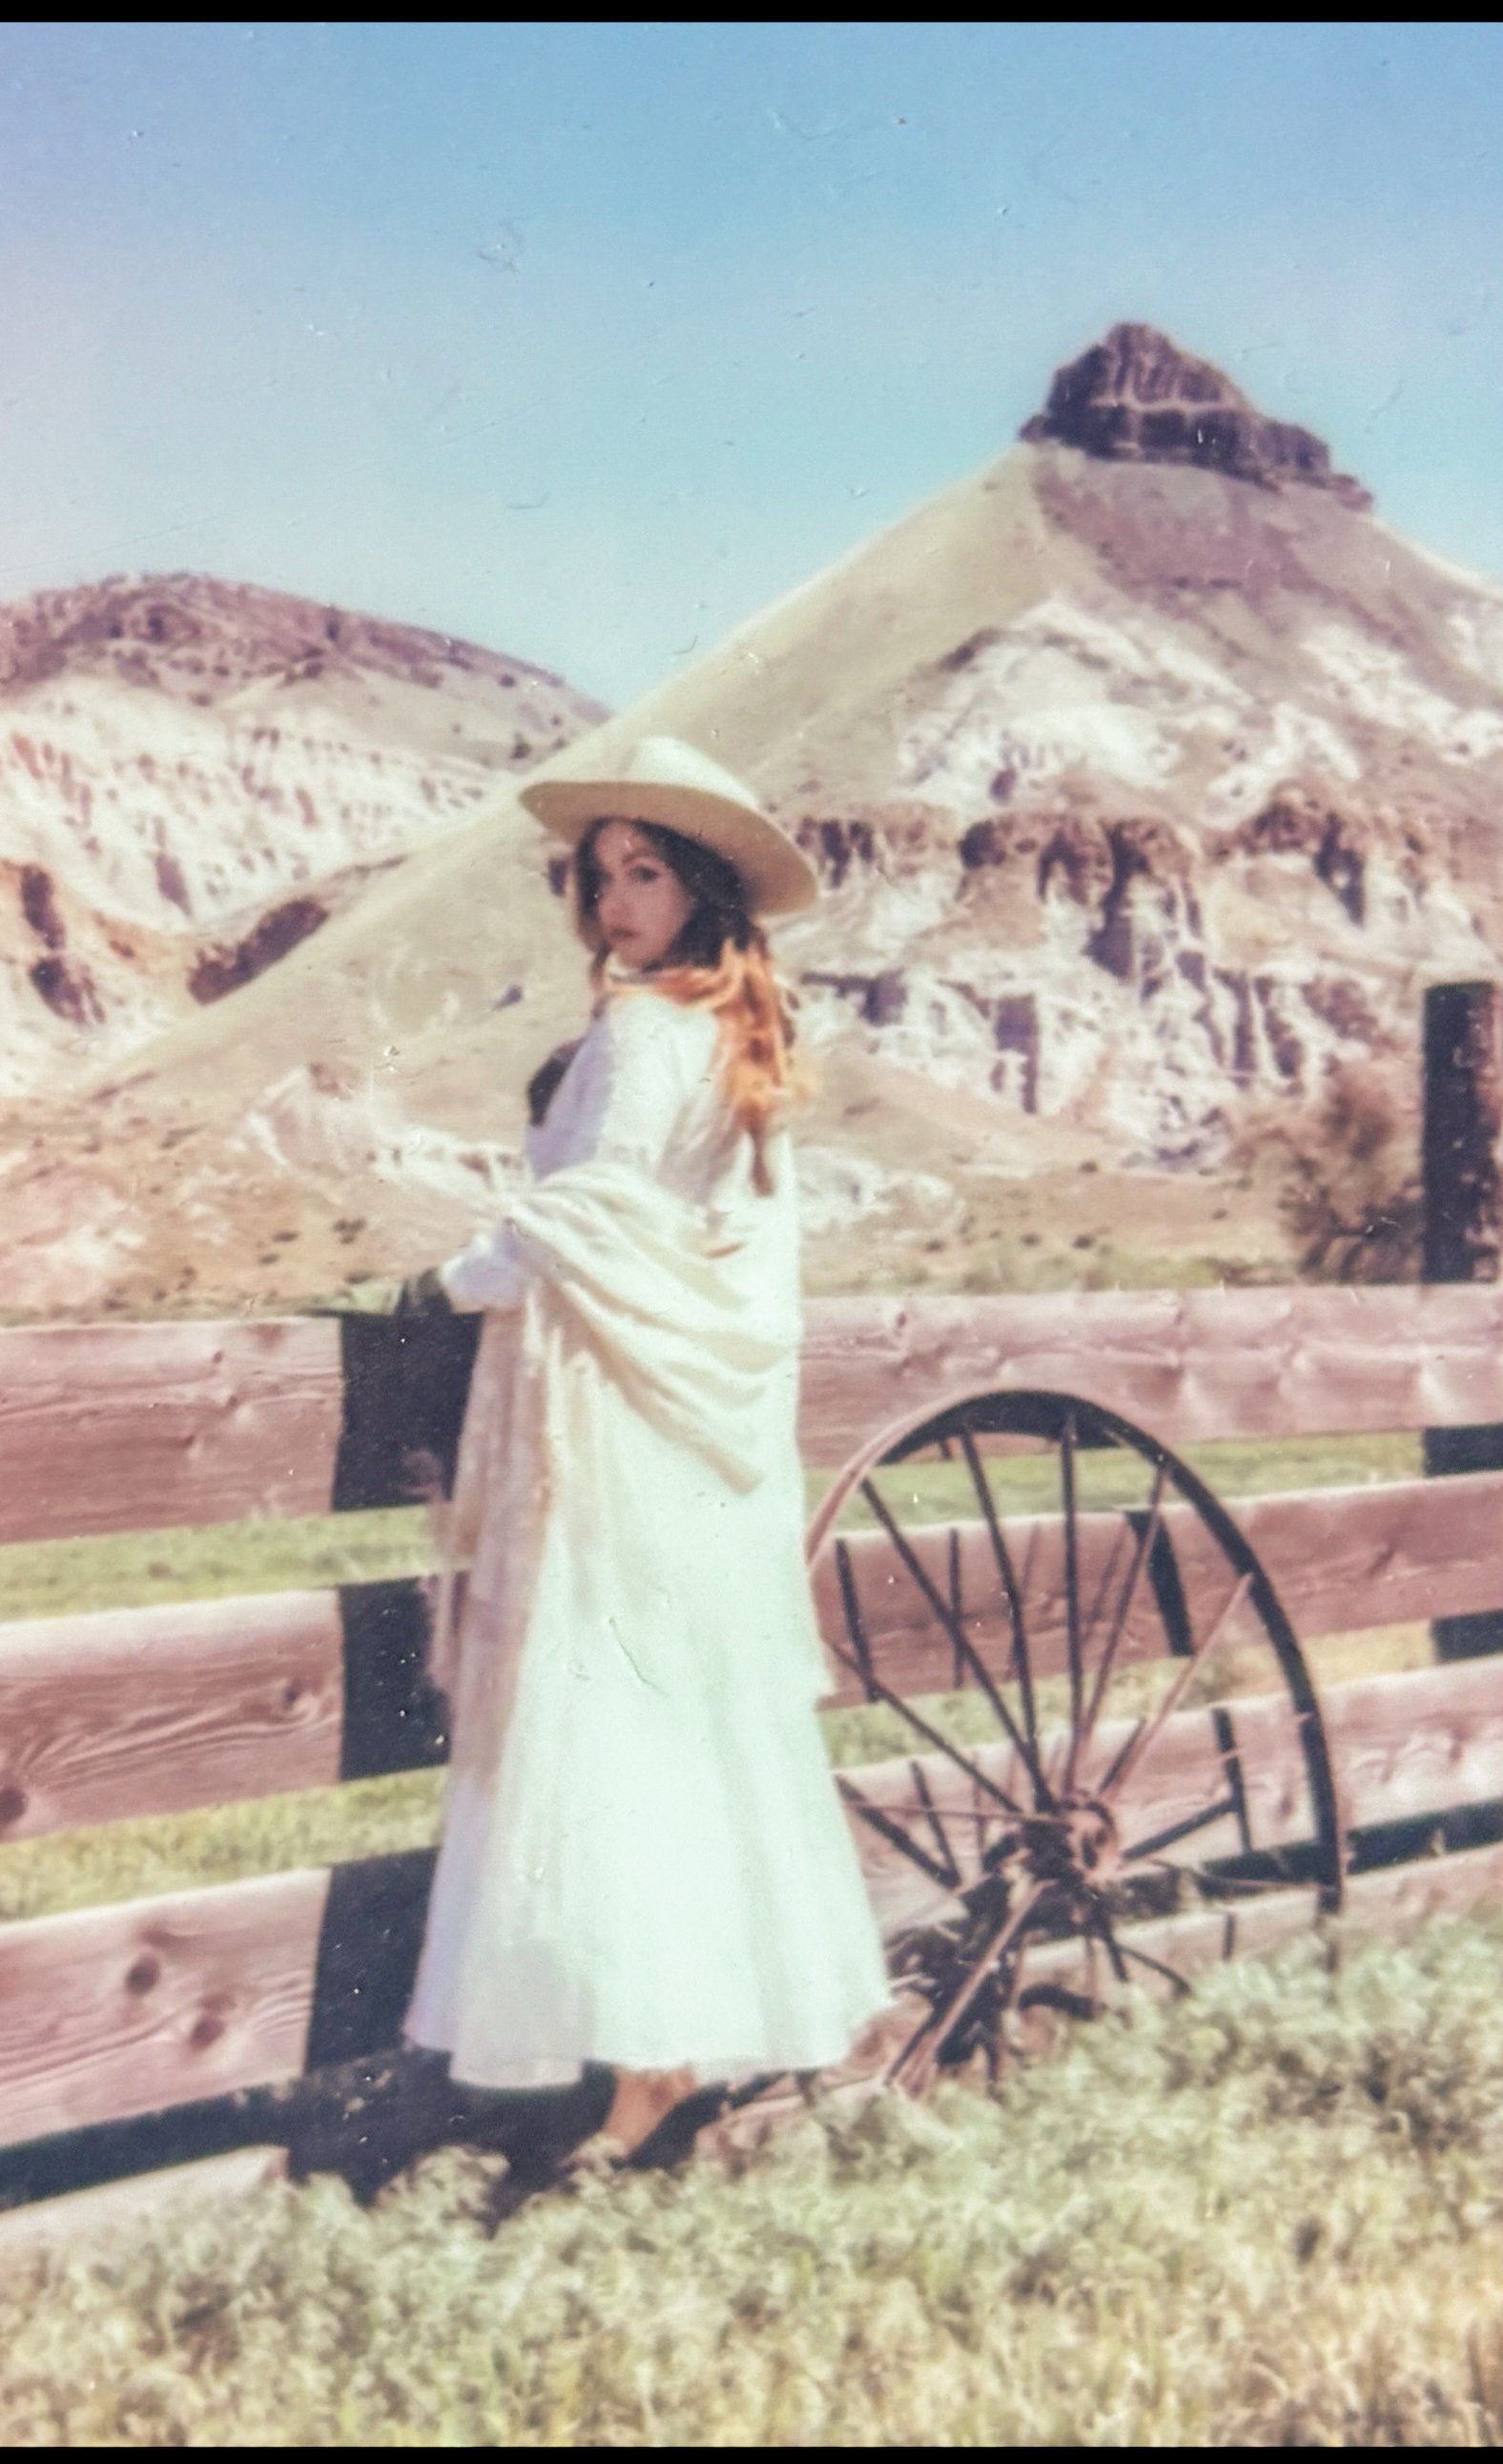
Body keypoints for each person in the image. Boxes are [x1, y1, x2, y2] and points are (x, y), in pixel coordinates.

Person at [399, 734, 892, 2160]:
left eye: (646, 872)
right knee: (674, 1716)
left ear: (703, 895)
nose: (613, 900)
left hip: (612, 1423)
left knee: (599, 1710)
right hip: (685, 1428)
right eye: (598, 873)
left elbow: (597, 1215)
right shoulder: (733, 1042)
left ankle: (647, 2058)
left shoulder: (641, 1035)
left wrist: (457, 1281)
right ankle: (664, 2046)